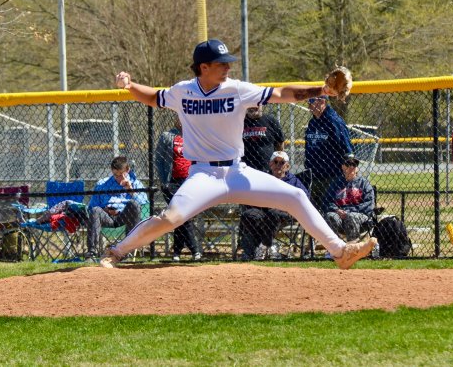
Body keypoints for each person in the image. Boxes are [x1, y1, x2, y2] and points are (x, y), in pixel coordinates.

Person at [102, 38, 376, 269]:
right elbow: (153, 97)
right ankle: (116, 252)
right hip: (203, 174)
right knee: (170, 218)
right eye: (221, 63)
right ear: (204, 67)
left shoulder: (237, 89)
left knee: (294, 196)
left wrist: (322, 90)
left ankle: (340, 252)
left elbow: (282, 93)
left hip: (237, 172)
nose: (228, 67)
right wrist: (129, 86)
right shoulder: (183, 91)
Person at [239, 151, 309, 260]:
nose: (278, 165)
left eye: (282, 162)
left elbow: (305, 196)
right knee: (249, 215)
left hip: (286, 212)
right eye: (275, 162)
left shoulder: (293, 181)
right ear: (270, 164)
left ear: (287, 166)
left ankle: (264, 246)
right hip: (263, 210)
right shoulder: (264, 178)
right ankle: (252, 251)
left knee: (273, 214)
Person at [155, 118, 202, 261]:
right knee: (181, 214)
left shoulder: (194, 135)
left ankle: (176, 251)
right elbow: (159, 160)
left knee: (182, 215)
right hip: (173, 182)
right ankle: (195, 250)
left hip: (189, 181)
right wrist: (164, 181)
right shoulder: (167, 136)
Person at [86, 156, 149, 261]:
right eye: (115, 175)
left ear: (127, 170)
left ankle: (128, 252)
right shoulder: (102, 184)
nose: (118, 178)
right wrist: (105, 210)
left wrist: (130, 190)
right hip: (107, 216)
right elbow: (92, 206)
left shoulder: (135, 183)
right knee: (95, 210)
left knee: (133, 204)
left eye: (121, 174)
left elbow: (143, 204)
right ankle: (91, 253)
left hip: (124, 216)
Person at [304, 95, 353, 212]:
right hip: (315, 175)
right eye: (309, 101)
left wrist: (347, 174)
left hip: (332, 176)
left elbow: (347, 150)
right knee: (313, 211)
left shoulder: (334, 121)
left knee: (329, 211)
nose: (309, 105)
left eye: (312, 101)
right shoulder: (312, 122)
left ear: (322, 101)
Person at [325, 154, 375, 242]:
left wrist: (348, 211)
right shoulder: (336, 183)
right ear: (342, 167)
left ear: (357, 168)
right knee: (330, 216)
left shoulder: (364, 183)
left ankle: (353, 246)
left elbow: (368, 204)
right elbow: (327, 201)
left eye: (354, 164)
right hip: (339, 213)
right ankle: (334, 246)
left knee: (351, 216)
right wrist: (337, 210)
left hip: (358, 214)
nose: (352, 167)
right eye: (348, 164)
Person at [241, 106, 284, 171]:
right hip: (245, 168)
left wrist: (278, 162)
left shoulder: (271, 120)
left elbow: (280, 143)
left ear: (262, 104)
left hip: (268, 169)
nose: (253, 106)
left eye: (256, 104)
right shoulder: (241, 121)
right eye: (250, 104)